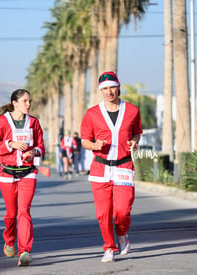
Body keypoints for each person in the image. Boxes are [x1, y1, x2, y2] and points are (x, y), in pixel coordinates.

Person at [80, 71, 142, 263]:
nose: (109, 92)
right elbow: (84, 141)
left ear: (118, 87)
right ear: (101, 90)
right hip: (100, 168)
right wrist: (94, 146)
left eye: (112, 87)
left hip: (124, 166)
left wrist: (134, 142)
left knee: (122, 211)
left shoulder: (132, 110)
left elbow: (137, 133)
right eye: (105, 89)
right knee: (103, 213)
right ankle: (108, 247)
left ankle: (122, 235)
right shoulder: (92, 114)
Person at [0, 89, 45, 267]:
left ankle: (25, 251)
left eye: (30, 101)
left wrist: (34, 152)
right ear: (15, 103)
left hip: (28, 172)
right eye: (25, 101)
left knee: (24, 211)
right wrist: (10, 144)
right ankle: (9, 239)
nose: (29, 104)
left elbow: (41, 145)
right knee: (11, 214)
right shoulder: (0, 123)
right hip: (6, 173)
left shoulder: (33, 122)